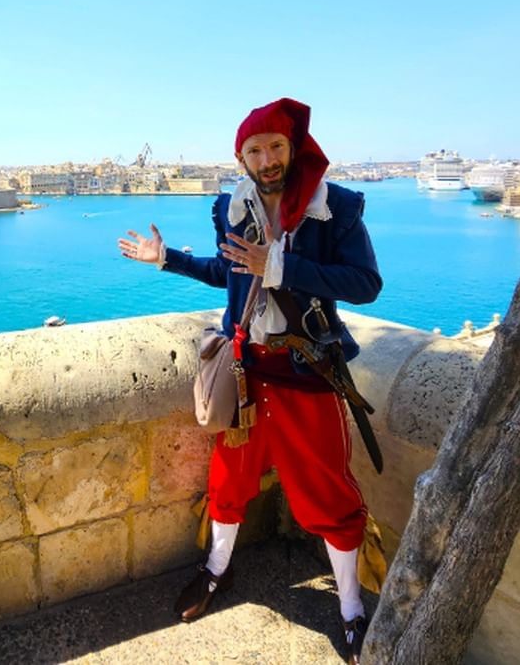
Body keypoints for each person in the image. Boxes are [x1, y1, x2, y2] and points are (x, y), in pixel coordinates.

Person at [117, 97, 382, 664]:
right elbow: (230, 274)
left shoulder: (334, 208)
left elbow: (364, 285)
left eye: (275, 147)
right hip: (245, 373)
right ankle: (217, 570)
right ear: (242, 159)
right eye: (254, 150)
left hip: (306, 370)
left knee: (327, 493)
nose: (266, 159)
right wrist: (168, 259)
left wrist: (281, 266)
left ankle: (352, 608)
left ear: (293, 149)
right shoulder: (231, 208)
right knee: (229, 479)